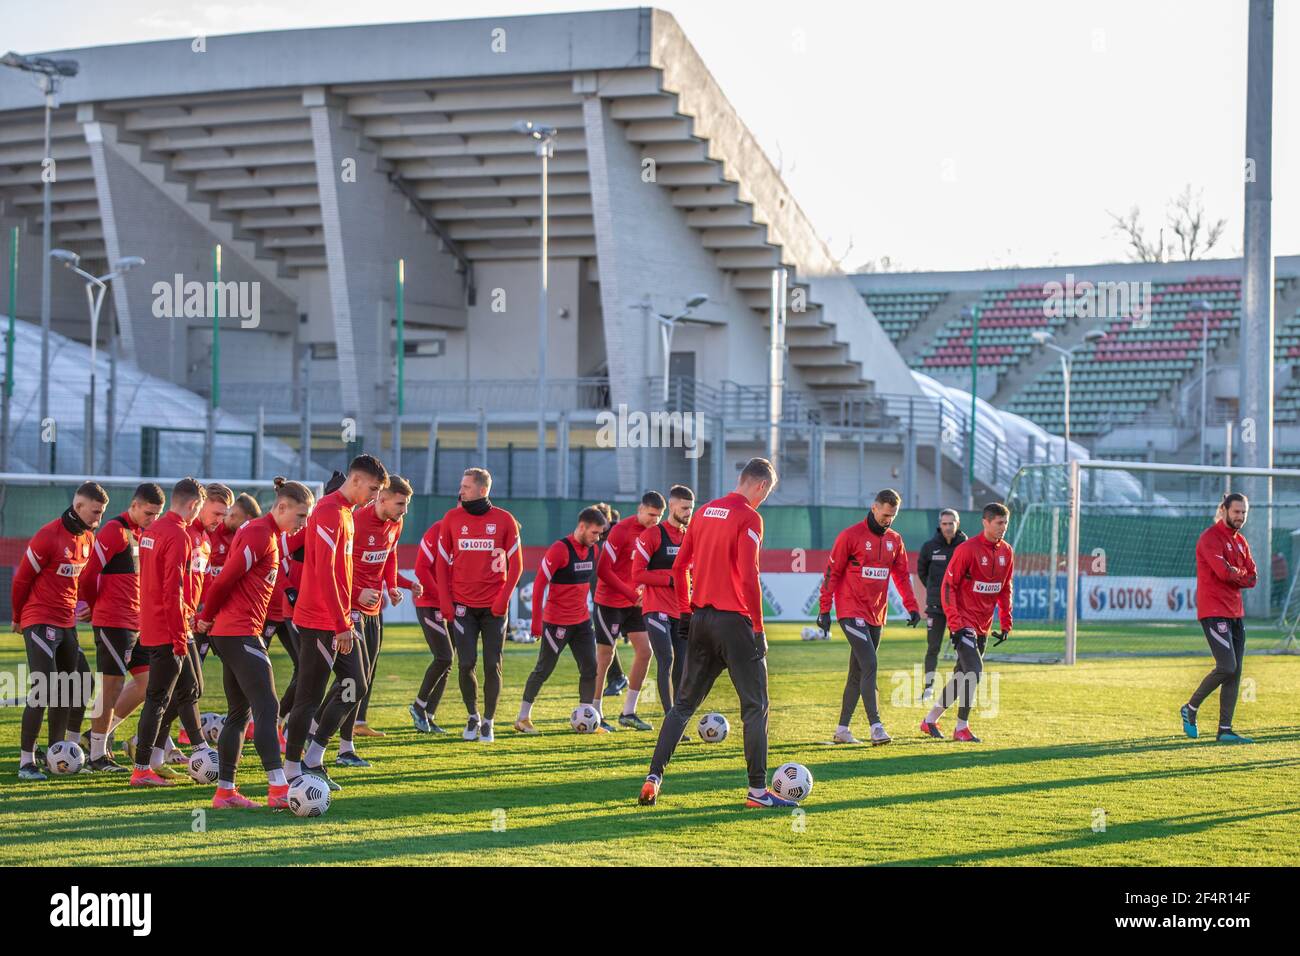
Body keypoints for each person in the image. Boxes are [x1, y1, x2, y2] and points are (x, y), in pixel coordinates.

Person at [639, 458, 795, 808]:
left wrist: (683, 611)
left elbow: (680, 567)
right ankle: (757, 792)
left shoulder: (705, 511)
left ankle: (653, 777)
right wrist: (758, 627)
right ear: (760, 486)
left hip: (700, 619)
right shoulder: (749, 517)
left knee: (682, 706)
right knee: (755, 707)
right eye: (766, 492)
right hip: (735, 624)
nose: (764, 499)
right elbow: (748, 576)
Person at [196, 478, 315, 808]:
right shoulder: (259, 533)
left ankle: (225, 792)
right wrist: (207, 616)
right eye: (301, 516)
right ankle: (278, 788)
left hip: (235, 630)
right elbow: (225, 579)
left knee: (238, 714)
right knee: (268, 707)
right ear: (281, 507)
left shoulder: (271, 536)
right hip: (237, 631)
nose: (302, 523)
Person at [284, 455, 388, 790]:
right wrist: (342, 623)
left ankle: (314, 757)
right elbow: (325, 572)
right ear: (357, 480)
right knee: (308, 697)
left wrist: (353, 602)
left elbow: (341, 573)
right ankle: (292, 769)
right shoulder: (329, 511)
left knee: (356, 683)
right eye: (372, 489)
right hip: (320, 620)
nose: (373, 496)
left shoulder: (347, 513)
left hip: (339, 617)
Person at [321, 475, 419, 766]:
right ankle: (332, 742)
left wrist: (391, 586)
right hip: (350, 609)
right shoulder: (355, 521)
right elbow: (336, 569)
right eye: (400, 504)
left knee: (362, 679)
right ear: (382, 499)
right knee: (351, 680)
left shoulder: (395, 523)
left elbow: (390, 556)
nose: (404, 511)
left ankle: (336, 741)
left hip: (374, 611)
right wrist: (356, 593)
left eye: (407, 505)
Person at [13, 481, 107, 781]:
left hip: (67, 621)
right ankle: (26, 762)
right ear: (78, 507)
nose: (98, 518)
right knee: (45, 686)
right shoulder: (48, 535)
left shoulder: (88, 539)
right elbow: (21, 580)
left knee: (80, 682)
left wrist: (88, 605)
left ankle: (57, 751)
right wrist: (17, 617)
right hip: (39, 618)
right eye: (95, 512)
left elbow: (79, 582)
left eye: (101, 513)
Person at [817, 488, 921, 746]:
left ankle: (842, 730)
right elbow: (832, 573)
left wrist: (912, 606)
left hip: (877, 614)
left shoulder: (895, 540)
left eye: (893, 516)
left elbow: (901, 576)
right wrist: (824, 609)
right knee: (870, 664)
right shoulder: (850, 536)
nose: (888, 520)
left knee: (857, 672)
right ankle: (876, 727)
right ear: (874, 508)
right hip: (850, 610)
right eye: (885, 514)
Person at [77, 483, 164, 772]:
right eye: (148, 513)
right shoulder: (114, 531)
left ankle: (96, 737)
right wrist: (91, 605)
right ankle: (97, 756)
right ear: (135, 505)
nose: (152, 518)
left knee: (149, 685)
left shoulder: (144, 533)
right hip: (113, 622)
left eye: (157, 514)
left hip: (138, 623)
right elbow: (89, 575)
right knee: (111, 687)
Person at [435, 467, 523, 743]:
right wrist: (446, 601)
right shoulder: (451, 518)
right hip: (463, 605)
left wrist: (502, 599)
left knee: (492, 664)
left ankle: (489, 721)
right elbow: (440, 564)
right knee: (466, 663)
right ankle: (472, 716)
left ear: (483, 490)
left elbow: (517, 565)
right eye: (461, 486)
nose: (461, 490)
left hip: (494, 608)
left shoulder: (505, 520)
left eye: (466, 487)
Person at [129, 478, 206, 787]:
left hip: (161, 626)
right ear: (192, 505)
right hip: (169, 630)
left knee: (191, 689)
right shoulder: (177, 534)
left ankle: (194, 752)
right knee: (158, 699)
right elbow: (172, 590)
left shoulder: (153, 531)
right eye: (199, 509)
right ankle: (142, 767)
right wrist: (178, 636)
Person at [921, 502, 1014, 743]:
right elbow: (948, 587)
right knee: (975, 671)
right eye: (998, 523)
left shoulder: (1007, 552)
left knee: (961, 676)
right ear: (986, 522)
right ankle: (961, 727)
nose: (1003, 527)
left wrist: (1005, 623)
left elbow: (1005, 589)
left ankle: (929, 720)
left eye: (1005, 523)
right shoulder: (967, 549)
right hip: (963, 623)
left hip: (984, 624)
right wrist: (956, 623)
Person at [514, 507, 607, 733]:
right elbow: (538, 585)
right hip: (557, 623)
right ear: (582, 526)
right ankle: (522, 718)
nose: (597, 538)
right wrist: (537, 622)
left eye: (600, 534)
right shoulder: (559, 549)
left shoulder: (594, 551)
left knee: (590, 668)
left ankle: (587, 717)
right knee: (544, 669)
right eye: (595, 533)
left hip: (582, 622)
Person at [1181, 493, 1257, 744]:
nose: (1240, 517)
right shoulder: (1210, 538)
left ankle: (1225, 729)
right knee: (1227, 666)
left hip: (1235, 612)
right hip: (1213, 611)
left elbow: (1253, 577)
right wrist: (1237, 573)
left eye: (1244, 513)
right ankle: (1190, 708)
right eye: (1236, 512)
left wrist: (1238, 572)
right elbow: (1223, 574)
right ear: (1224, 510)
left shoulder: (1241, 541)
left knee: (1235, 672)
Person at [593, 492, 664, 732]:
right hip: (611, 600)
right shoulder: (621, 530)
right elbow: (603, 570)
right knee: (605, 656)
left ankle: (628, 712)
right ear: (641, 509)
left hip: (636, 603)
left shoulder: (656, 533)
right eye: (651, 514)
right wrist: (630, 593)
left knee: (645, 652)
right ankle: (595, 713)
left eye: (659, 516)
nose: (655, 520)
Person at [631, 484, 694, 721]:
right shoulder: (653, 535)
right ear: (674, 506)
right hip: (655, 608)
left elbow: (693, 571)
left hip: (682, 610)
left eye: (691, 508)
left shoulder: (690, 536)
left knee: (682, 665)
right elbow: (637, 574)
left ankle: (678, 716)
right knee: (666, 658)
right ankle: (671, 717)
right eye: (685, 507)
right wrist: (669, 579)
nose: (689, 512)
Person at [915, 509, 967, 703]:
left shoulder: (966, 545)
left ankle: (958, 687)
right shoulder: (929, 547)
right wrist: (935, 589)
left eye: (951, 523)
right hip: (936, 606)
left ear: (957, 523)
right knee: (933, 647)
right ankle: (928, 688)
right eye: (944, 524)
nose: (947, 527)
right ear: (940, 524)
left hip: (960, 606)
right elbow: (922, 571)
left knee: (961, 647)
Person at [410, 515, 451, 734]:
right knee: (444, 656)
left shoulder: (468, 532)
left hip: (452, 605)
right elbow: (422, 569)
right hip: (430, 603)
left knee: (448, 662)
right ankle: (418, 706)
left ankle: (428, 715)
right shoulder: (437, 530)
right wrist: (443, 597)